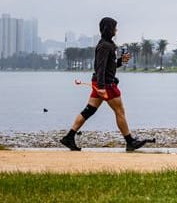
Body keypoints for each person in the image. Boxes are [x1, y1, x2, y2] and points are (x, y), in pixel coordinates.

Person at [60, 17, 149, 152]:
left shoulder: (109, 44)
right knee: (119, 111)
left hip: (101, 83)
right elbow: (100, 67)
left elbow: (109, 65)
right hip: (106, 84)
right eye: (114, 27)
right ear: (109, 29)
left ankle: (69, 137)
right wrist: (101, 87)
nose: (116, 30)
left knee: (89, 110)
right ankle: (130, 141)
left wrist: (120, 61)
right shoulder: (104, 46)